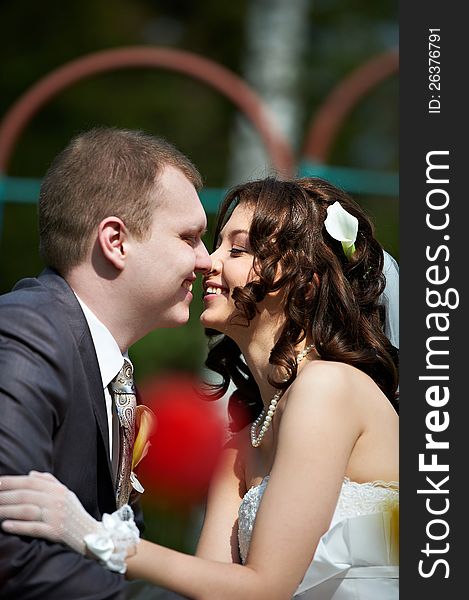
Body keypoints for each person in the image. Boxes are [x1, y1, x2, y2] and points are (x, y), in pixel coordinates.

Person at [0, 177, 399, 599]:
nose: (207, 261)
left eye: (238, 250)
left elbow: (267, 587)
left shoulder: (328, 387)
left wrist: (94, 535)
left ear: (303, 281)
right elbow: (213, 589)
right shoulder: (242, 446)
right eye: (215, 244)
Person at [0, 127, 211, 599]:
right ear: (115, 240)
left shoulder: (108, 363)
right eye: (190, 237)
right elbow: (9, 554)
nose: (207, 260)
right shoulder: (25, 337)